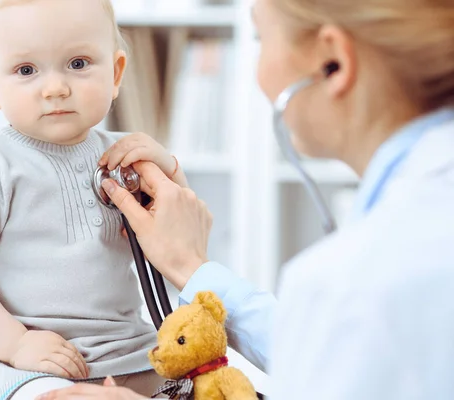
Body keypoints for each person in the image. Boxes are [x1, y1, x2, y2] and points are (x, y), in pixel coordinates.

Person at [39, 0, 454, 398]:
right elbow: (320, 347)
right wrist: (190, 266)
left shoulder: (351, 285)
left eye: (260, 37)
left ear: (334, 63)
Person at [0, 0, 189, 399]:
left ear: (115, 74)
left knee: (204, 384)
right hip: (26, 359)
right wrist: (16, 344)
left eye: (78, 64)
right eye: (26, 70)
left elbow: (182, 238)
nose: (56, 87)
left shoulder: (128, 158)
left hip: (128, 348)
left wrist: (170, 171)